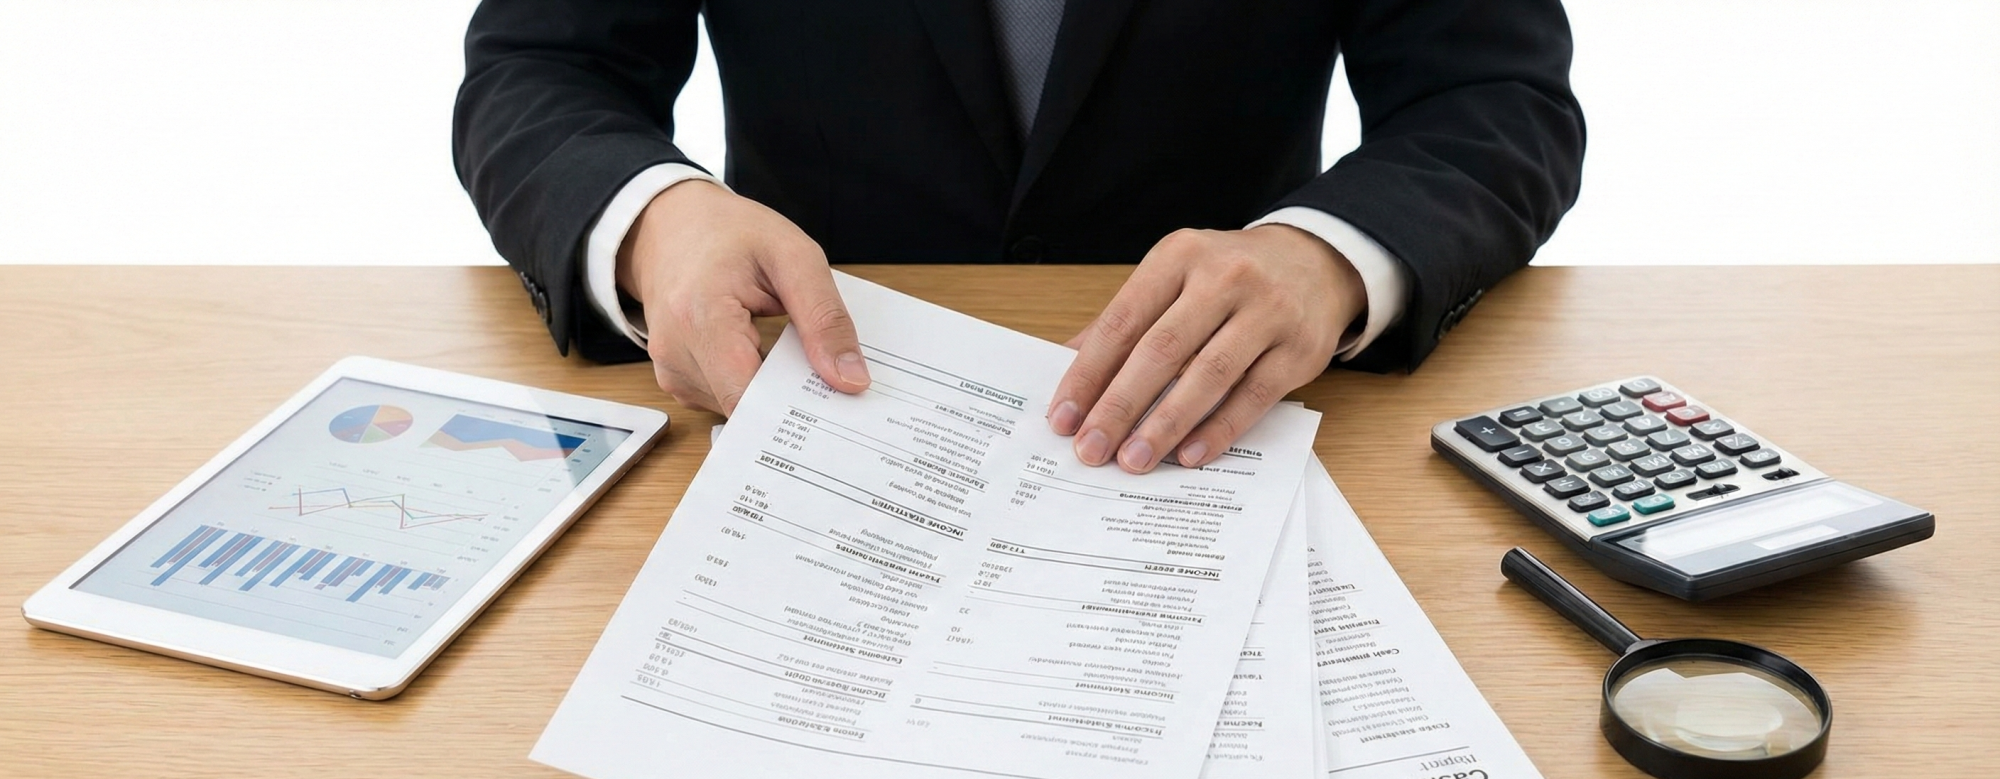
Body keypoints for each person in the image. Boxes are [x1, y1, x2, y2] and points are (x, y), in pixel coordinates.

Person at [454, 1, 1583, 473]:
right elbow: (546, 63)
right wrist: (657, 220)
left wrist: (1332, 252)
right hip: (801, 405)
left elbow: (1490, 96)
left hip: (1229, 425)